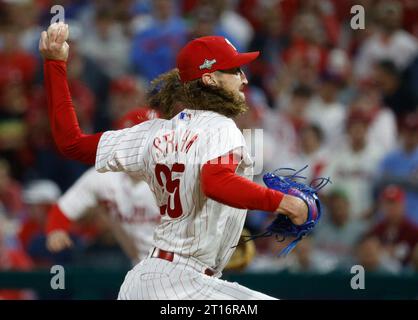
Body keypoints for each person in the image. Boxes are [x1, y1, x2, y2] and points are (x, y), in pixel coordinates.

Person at [39, 22, 307, 300]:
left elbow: (70, 142)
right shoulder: (221, 127)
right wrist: (283, 202)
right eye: (235, 70)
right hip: (180, 285)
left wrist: (55, 64)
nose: (244, 78)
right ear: (210, 79)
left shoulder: (151, 133)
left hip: (149, 280)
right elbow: (216, 181)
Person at [45, 108, 161, 264]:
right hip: (142, 267)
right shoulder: (105, 176)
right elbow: (63, 209)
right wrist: (56, 230)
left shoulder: (178, 171)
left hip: (189, 267)